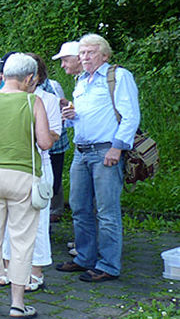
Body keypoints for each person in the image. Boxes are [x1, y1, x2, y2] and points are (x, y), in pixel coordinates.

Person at [0, 53, 54, 319]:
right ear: (29, 78)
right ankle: (17, 303)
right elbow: (45, 143)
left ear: (3, 75)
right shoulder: (33, 101)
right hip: (22, 178)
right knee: (21, 239)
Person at [56, 34, 140, 283]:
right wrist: (71, 114)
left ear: (105, 55)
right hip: (81, 151)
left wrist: (117, 148)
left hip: (106, 151)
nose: (85, 57)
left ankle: (108, 265)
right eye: (82, 53)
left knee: (107, 211)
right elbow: (83, 119)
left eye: (90, 52)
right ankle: (84, 258)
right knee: (79, 207)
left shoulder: (119, 76)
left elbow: (131, 116)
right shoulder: (81, 80)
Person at [49, 41, 80, 223]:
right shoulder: (81, 81)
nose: (62, 65)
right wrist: (69, 108)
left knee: (98, 203)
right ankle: (84, 245)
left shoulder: (114, 78)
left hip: (101, 148)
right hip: (81, 145)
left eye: (65, 60)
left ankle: (100, 248)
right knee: (80, 199)